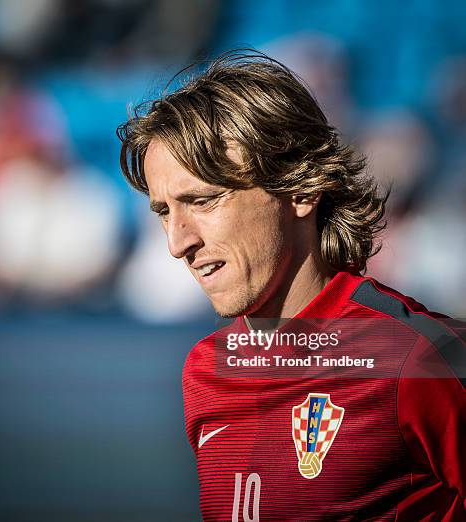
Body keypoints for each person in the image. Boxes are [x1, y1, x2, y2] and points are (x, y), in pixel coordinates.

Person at [117, 51, 465, 521]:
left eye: (202, 201)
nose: (178, 243)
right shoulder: (206, 371)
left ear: (299, 187)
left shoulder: (421, 357)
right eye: (164, 211)